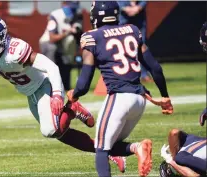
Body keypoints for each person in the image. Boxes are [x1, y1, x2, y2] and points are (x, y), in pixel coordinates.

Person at [0, 16, 126, 172]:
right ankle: (109, 153)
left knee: (51, 130)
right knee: (61, 134)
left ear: (4, 35)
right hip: (29, 93)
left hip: (43, 86)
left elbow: (51, 67)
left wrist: (57, 95)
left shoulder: (16, 50)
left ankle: (71, 108)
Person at [66, 1, 173, 177]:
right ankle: (137, 147)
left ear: (96, 16)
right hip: (139, 100)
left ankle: (137, 147)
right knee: (110, 145)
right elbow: (155, 68)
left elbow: (84, 83)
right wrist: (165, 97)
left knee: (100, 149)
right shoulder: (132, 30)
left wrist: (74, 94)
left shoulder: (91, 37)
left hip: (119, 98)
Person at [39, 1, 83, 91]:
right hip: (49, 43)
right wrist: (67, 32)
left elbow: (79, 35)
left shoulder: (78, 15)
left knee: (67, 59)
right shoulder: (55, 15)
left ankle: (65, 85)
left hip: (63, 44)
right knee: (52, 52)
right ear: (65, 4)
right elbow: (52, 38)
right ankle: (48, 85)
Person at [118, 1, 153, 83]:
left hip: (139, 16)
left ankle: (144, 74)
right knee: (122, 45)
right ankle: (123, 74)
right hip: (123, 15)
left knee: (141, 45)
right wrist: (124, 7)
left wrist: (139, 7)